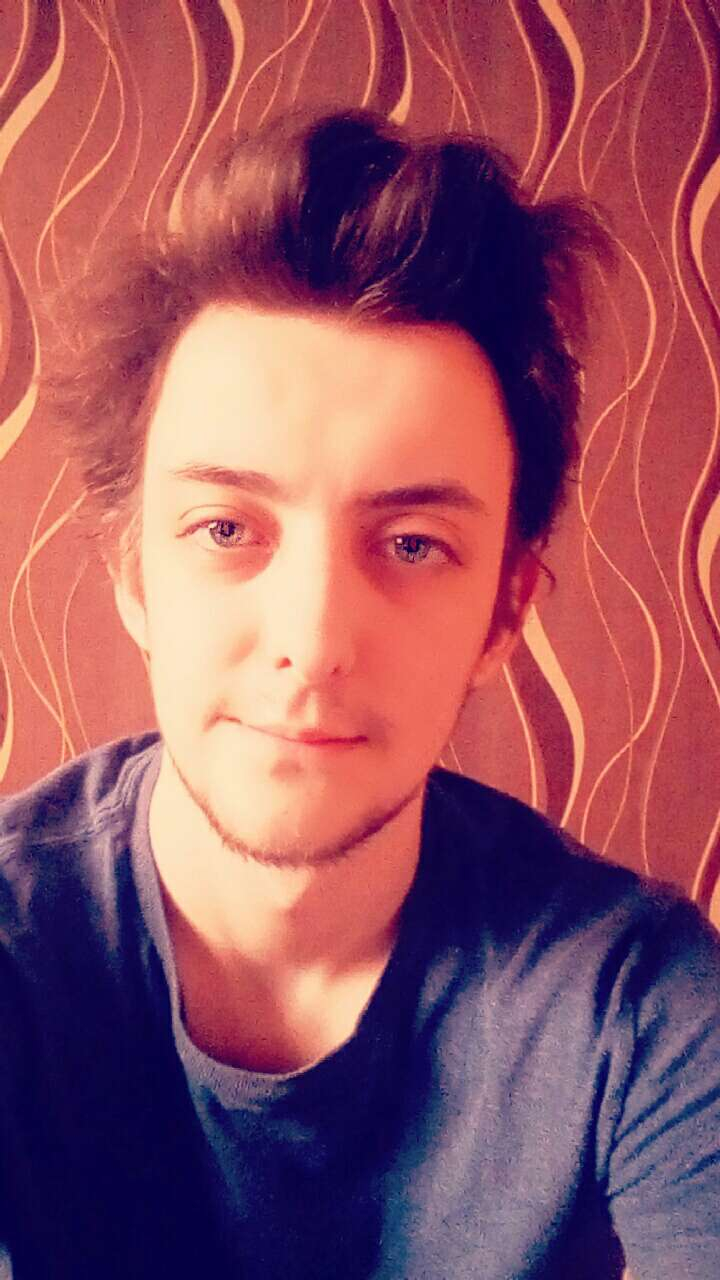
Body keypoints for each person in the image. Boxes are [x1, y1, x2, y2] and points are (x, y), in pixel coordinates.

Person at [1, 109, 718, 1280]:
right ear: (133, 574)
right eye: (226, 527)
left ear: (505, 608)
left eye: (414, 543)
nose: (314, 640)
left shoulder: (638, 1000)